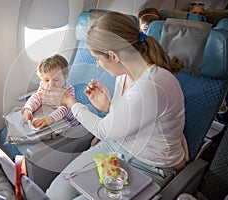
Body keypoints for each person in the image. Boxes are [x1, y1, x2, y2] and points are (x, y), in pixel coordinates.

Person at [44, 11, 187, 199]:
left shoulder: (151, 86)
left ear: (113, 56)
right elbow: (131, 118)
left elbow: (103, 130)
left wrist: (69, 101)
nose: (98, 64)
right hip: (116, 146)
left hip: (149, 166)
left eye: (98, 58)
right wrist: (109, 107)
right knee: (54, 194)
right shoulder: (126, 73)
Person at [22, 54, 79, 129]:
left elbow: (64, 108)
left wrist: (51, 118)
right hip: (48, 112)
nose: (51, 84)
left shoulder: (68, 90)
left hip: (68, 120)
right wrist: (28, 109)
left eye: (56, 80)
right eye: (46, 80)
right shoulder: (44, 87)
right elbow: (36, 97)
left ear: (65, 76)